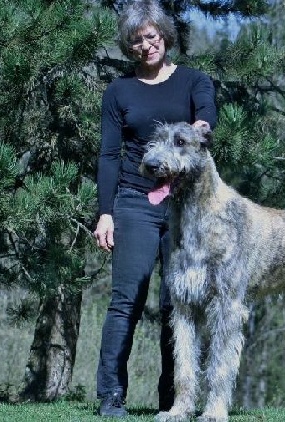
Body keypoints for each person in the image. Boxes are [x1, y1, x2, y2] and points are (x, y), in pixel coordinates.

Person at [93, 0, 217, 417]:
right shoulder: (119, 91)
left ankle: (173, 398)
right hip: (135, 200)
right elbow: (109, 155)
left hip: (184, 207)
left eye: (151, 36)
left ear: (164, 34)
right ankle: (111, 394)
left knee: (175, 303)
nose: (146, 45)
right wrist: (105, 212)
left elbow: (205, 118)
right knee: (126, 298)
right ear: (129, 47)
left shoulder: (194, 80)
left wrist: (200, 128)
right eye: (136, 40)